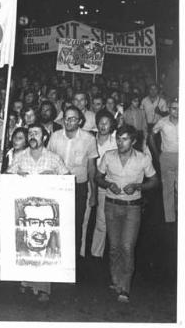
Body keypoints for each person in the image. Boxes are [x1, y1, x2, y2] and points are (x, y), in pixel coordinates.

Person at [95, 124, 159, 303]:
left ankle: (125, 287)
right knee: (114, 246)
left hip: (132, 207)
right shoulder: (108, 156)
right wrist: (108, 185)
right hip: (111, 206)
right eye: (118, 138)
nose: (120, 142)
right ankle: (116, 280)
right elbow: (97, 177)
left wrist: (138, 186)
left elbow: (154, 181)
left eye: (124, 139)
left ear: (133, 141)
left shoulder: (143, 158)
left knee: (127, 246)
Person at [7, 122, 69, 302]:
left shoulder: (54, 158)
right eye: (30, 133)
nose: (33, 136)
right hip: (26, 213)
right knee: (27, 243)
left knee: (45, 246)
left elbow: (67, 180)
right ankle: (26, 280)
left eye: (37, 133)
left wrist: (55, 178)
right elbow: (7, 176)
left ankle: (43, 287)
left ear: (44, 137)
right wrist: (16, 177)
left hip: (46, 213)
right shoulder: (20, 157)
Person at [48, 106, 98, 267]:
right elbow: (48, 162)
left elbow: (91, 168)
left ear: (80, 121)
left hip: (79, 187)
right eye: (66, 118)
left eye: (73, 119)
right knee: (56, 224)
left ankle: (72, 264)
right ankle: (56, 261)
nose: (69, 122)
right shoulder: (55, 137)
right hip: (57, 187)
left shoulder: (89, 139)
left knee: (75, 225)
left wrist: (94, 193)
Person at [81, 109, 117, 258]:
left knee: (102, 221)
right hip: (88, 183)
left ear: (111, 125)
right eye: (100, 123)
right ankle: (80, 251)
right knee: (84, 219)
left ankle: (96, 253)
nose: (103, 126)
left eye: (106, 123)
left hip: (104, 184)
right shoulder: (89, 140)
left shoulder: (115, 143)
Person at [150, 98, 178, 223]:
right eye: (174, 108)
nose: (177, 111)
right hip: (167, 157)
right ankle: (170, 219)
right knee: (168, 189)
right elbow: (151, 136)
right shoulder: (162, 122)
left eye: (179, 108)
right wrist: (157, 154)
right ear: (169, 109)